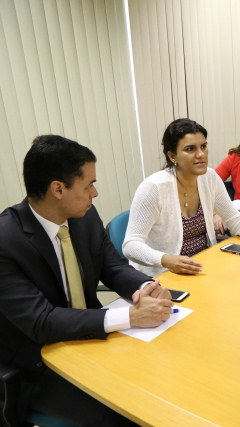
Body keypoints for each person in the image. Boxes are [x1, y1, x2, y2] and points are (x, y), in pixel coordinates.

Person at [0, 135, 174, 426]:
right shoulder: (7, 241)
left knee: (163, 377)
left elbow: (112, 265)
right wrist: (130, 316)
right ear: (58, 189)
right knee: (128, 413)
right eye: (88, 185)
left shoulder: (83, 215)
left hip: (90, 340)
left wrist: (147, 288)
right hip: (39, 363)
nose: (95, 194)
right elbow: (41, 322)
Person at [123, 118, 240, 277]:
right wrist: (167, 260)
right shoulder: (153, 188)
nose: (201, 154)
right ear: (172, 156)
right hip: (164, 275)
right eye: (190, 149)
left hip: (204, 266)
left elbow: (233, 218)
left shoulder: (209, 177)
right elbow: (131, 245)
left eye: (203, 147)